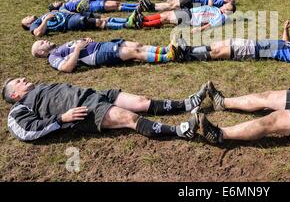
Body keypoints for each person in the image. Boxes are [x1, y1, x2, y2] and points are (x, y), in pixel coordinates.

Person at [1, 77, 208, 142]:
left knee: (142, 101)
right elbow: (26, 131)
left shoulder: (40, 87)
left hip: (95, 93)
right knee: (130, 118)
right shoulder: (19, 108)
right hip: (84, 110)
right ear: (14, 95)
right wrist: (61, 118)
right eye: (19, 81)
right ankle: (180, 131)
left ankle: (187, 104)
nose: (24, 79)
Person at [177, 20, 290, 70]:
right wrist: (285, 30)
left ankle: (187, 56)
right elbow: (284, 42)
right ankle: (189, 49)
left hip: (254, 50)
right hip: (252, 42)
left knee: (219, 52)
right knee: (217, 44)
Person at [31, 37, 178, 72]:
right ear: (41, 52)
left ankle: (165, 49)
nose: (44, 40)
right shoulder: (52, 58)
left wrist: (86, 40)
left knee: (137, 45)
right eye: (41, 43)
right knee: (134, 52)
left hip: (100, 45)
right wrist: (78, 49)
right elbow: (66, 68)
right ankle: (168, 57)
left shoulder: (58, 48)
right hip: (97, 55)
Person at [21, 10, 140, 37]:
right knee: (98, 22)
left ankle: (127, 20)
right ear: (27, 25)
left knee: (104, 17)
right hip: (70, 22)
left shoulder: (41, 15)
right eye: (25, 19)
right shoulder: (34, 25)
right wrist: (46, 20)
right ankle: (126, 25)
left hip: (72, 15)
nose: (27, 16)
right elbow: (37, 34)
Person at [137, 2, 236, 33]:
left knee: (165, 19)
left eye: (226, 7)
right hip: (189, 11)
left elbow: (211, 25)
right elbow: (209, 6)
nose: (223, 5)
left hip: (190, 17)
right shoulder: (216, 9)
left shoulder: (221, 17)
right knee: (166, 13)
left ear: (227, 11)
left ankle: (142, 24)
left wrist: (199, 29)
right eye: (225, 5)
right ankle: (144, 19)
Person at [48, 0, 139, 14]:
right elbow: (70, 13)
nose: (56, 2)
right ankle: (136, 8)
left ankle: (137, 5)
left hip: (92, 2)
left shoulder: (65, 2)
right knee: (115, 5)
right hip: (91, 7)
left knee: (116, 2)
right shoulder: (62, 9)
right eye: (54, 4)